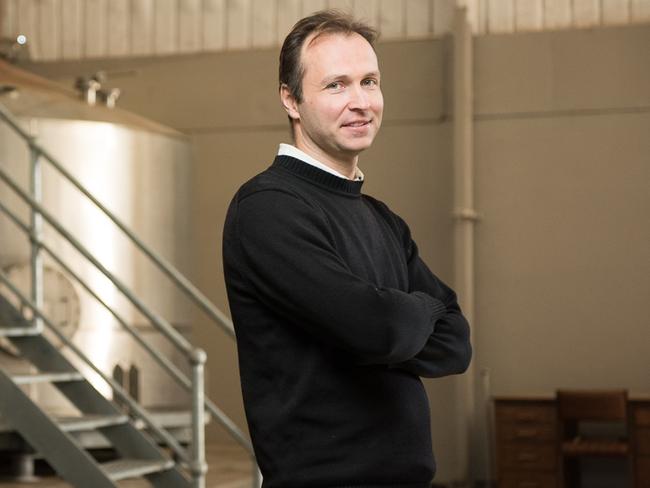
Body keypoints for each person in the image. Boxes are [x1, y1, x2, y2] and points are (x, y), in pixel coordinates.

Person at [223, 10, 472, 488]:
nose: (360, 102)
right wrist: (419, 310)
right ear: (291, 99)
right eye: (336, 85)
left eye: (369, 82)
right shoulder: (268, 209)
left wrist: (395, 319)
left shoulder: (382, 219)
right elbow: (379, 331)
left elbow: (456, 342)